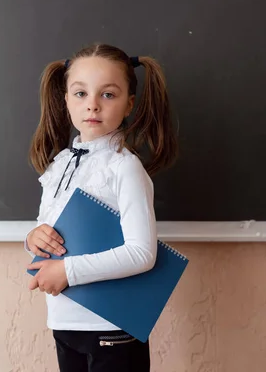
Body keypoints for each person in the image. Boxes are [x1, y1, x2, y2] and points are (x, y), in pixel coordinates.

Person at [24, 43, 178, 372]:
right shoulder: (59, 165)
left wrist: (67, 271)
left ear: (128, 105)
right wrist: (33, 239)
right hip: (65, 321)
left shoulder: (125, 168)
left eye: (108, 95)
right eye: (80, 94)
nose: (92, 105)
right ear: (65, 100)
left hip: (111, 327)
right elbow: (45, 228)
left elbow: (141, 253)